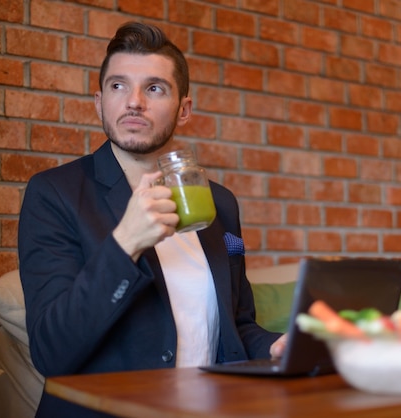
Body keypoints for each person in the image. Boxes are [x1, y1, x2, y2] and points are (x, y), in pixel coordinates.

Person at [18, 21, 287, 417]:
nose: (134, 102)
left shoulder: (219, 204)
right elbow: (52, 352)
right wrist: (125, 242)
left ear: (184, 110)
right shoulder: (54, 194)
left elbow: (236, 326)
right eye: (118, 86)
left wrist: (279, 346)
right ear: (99, 102)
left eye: (155, 88)